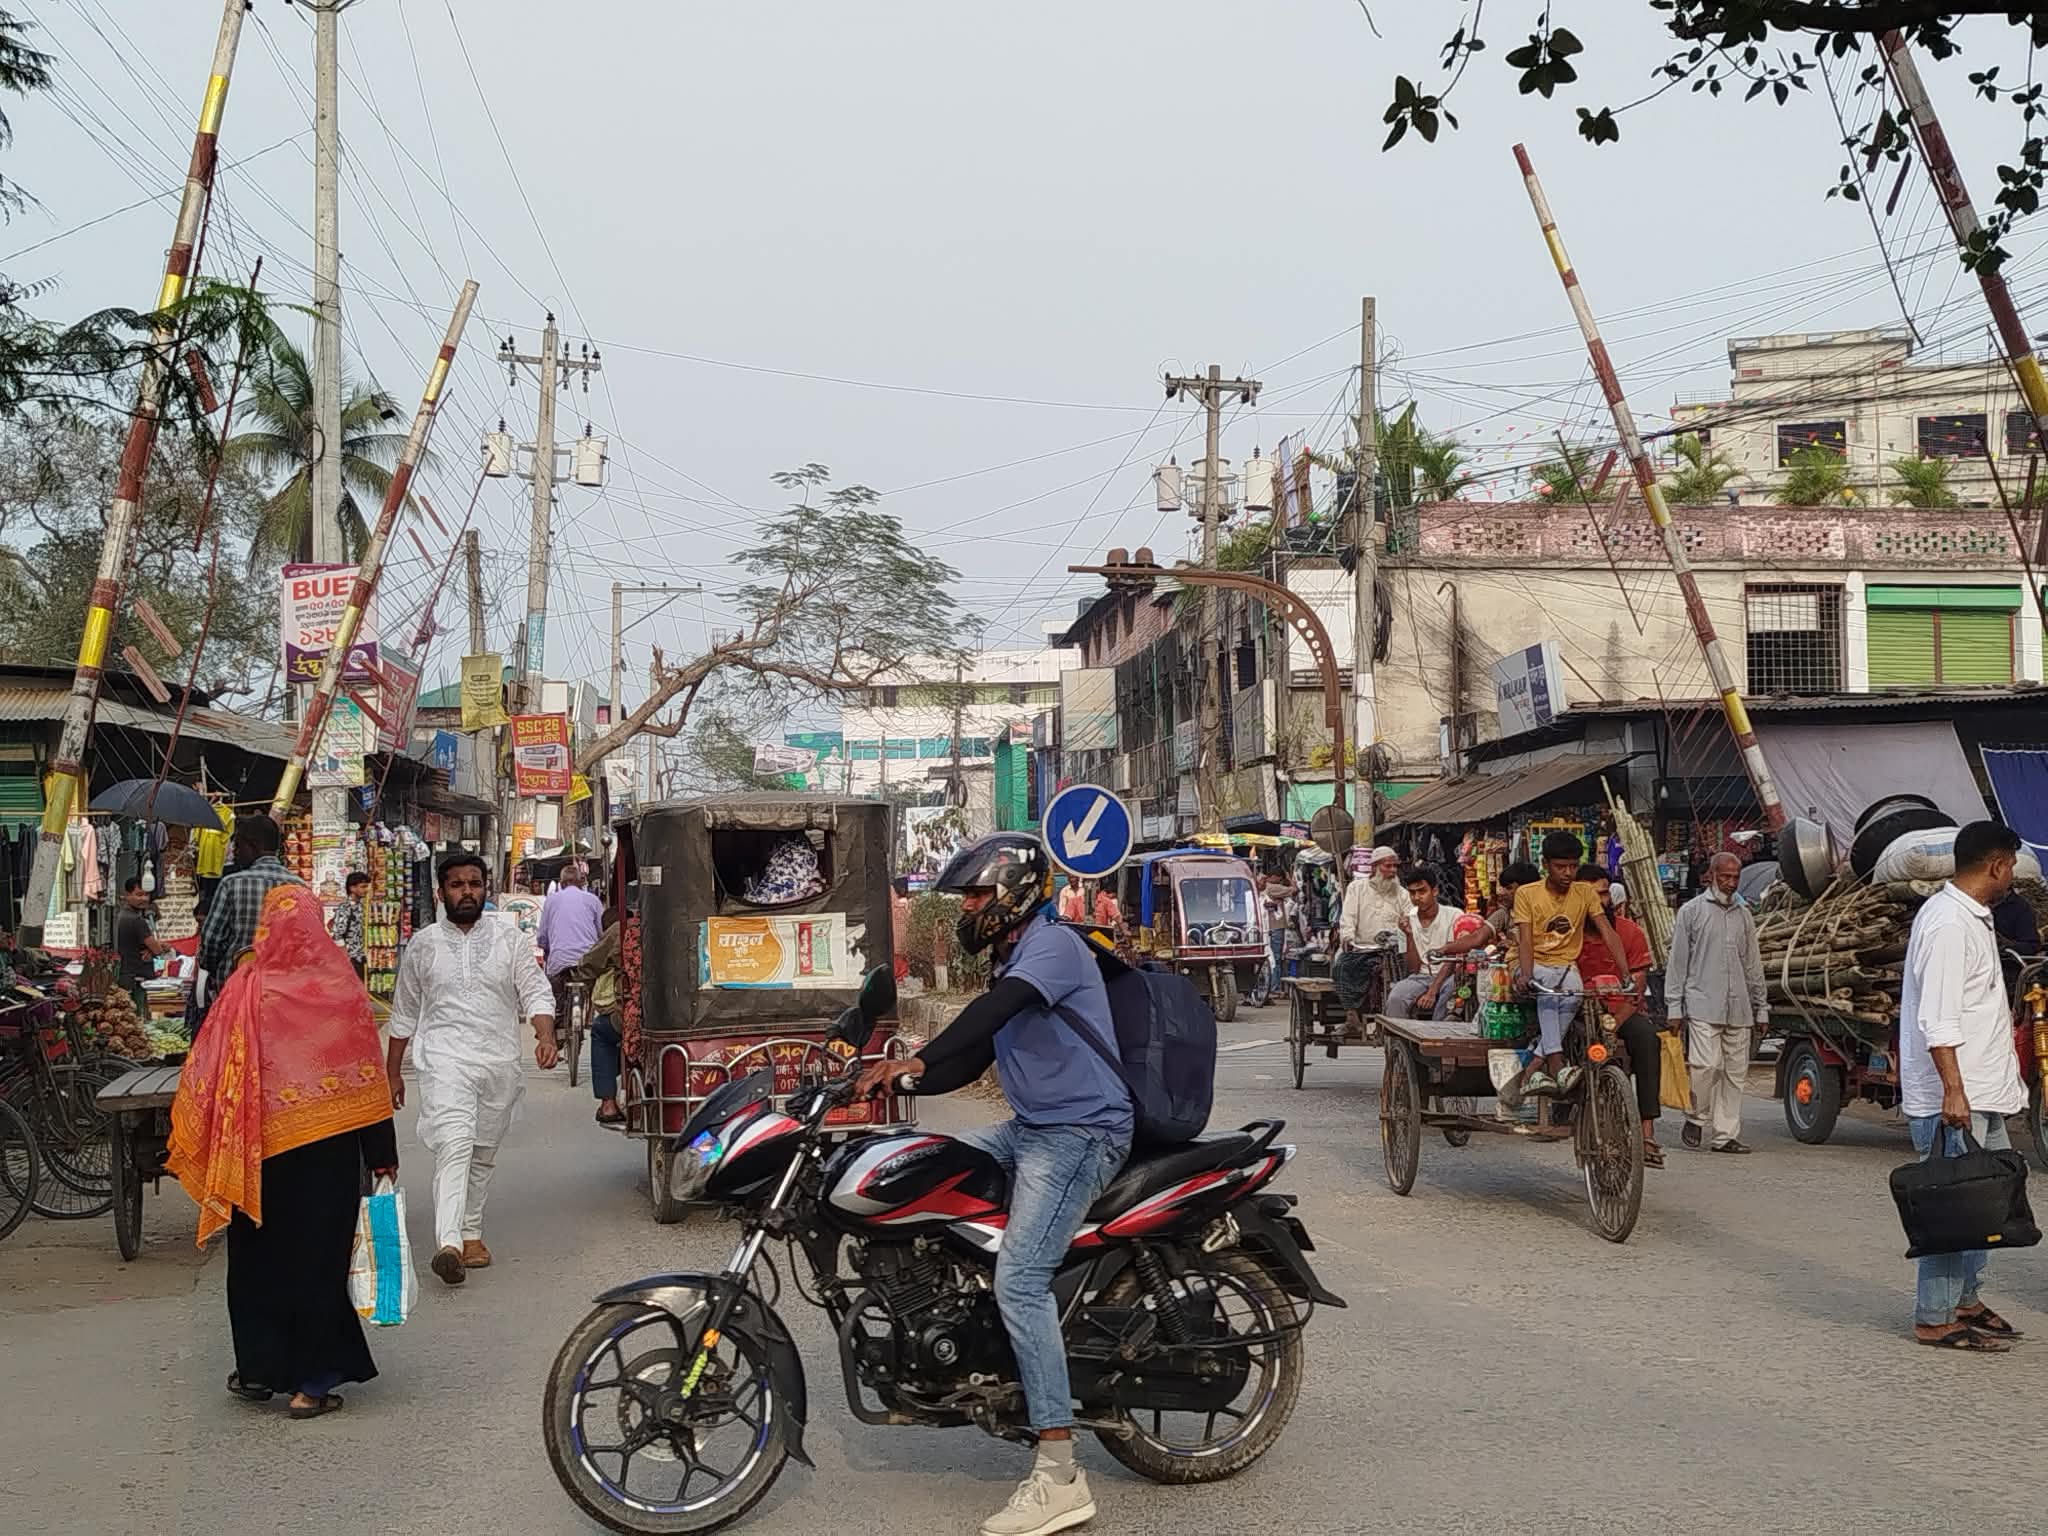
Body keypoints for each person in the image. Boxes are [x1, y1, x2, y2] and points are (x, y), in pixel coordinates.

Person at [852, 833, 1129, 1536]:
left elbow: (988, 1017)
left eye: (976, 895)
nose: (968, 908)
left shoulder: (1053, 947)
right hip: (1032, 1127)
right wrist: (898, 1077)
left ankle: (1061, 1473)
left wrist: (915, 1059)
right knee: (920, 1176)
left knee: (1021, 1280)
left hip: (1081, 1132)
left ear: (1010, 895)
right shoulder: (1013, 955)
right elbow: (968, 1056)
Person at [165, 884, 397, 1419]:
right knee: (317, 1263)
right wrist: (382, 1152)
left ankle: (259, 1370)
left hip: (257, 1155)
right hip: (328, 1157)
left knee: (258, 1263)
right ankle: (309, 1386)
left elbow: (212, 1065)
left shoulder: (247, 987)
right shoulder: (340, 989)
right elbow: (366, 1079)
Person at [386, 853, 557, 1286]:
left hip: (497, 1059)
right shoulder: (424, 944)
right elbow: (404, 1012)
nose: (467, 892)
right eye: (457, 885)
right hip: (444, 1059)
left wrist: (546, 1035)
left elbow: (534, 990)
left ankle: (471, 1232)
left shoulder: (509, 938)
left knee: (482, 1152)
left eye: (474, 884)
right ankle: (448, 1242)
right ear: (441, 892)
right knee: (455, 1143)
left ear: (486, 887)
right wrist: (391, 1073)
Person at [1897, 821, 2030, 1351]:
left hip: (1984, 1092)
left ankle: (1966, 1300)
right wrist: (1953, 1090)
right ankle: (1934, 1317)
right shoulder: (1948, 924)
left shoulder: (1973, 918)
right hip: (1958, 1098)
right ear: (1997, 865)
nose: (2012, 876)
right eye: (2011, 866)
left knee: (1989, 1207)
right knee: (1953, 1211)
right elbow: (1939, 1019)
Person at [1512, 832, 1632, 1098]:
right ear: (1545, 864)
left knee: (1572, 994)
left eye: (1573, 866)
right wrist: (1528, 975)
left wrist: (1626, 974)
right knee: (1547, 991)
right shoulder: (1527, 893)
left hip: (1566, 966)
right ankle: (1556, 1064)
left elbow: (1607, 932)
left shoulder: (1585, 893)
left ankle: (1533, 1066)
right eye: (1560, 866)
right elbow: (1525, 941)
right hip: (1532, 964)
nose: (1567, 873)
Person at [1668, 851, 1769, 1154]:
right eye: (1724, 876)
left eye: (1735, 877)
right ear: (1710, 875)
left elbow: (1753, 963)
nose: (1730, 883)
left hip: (1739, 1006)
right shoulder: (1691, 911)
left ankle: (1725, 1135)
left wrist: (1761, 1006)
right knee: (1705, 1065)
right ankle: (1696, 1117)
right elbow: (1678, 962)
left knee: (1735, 1073)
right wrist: (1675, 1006)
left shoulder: (1744, 914)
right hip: (1702, 1001)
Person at [1576, 864, 1665, 1166]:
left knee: (1648, 1040)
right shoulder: (1567, 933)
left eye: (1602, 894)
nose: (1599, 902)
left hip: (1621, 1011)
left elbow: (1636, 990)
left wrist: (1614, 1025)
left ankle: (1647, 1132)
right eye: (1591, 896)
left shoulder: (1629, 932)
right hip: (1576, 1011)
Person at [196, 813, 305, 1027]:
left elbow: (211, 941)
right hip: (283, 995)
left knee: (237, 1056)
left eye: (238, 845)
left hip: (235, 995)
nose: (234, 852)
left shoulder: (232, 884)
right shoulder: (300, 888)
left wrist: (214, 973)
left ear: (253, 846)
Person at [1335, 846, 1413, 1031]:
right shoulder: (1357, 888)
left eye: (1395, 867)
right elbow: (1349, 916)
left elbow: (1411, 914)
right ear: (1375, 867)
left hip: (1393, 949)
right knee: (1342, 966)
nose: (1393, 871)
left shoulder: (1401, 892)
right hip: (1363, 947)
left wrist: (1408, 924)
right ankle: (1352, 1014)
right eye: (1388, 866)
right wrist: (1347, 937)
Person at [1384, 866, 1464, 1022]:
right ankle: (1400, 1042)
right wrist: (1408, 935)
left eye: (1422, 891)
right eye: (1412, 893)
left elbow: (1451, 959)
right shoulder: (1406, 921)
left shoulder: (1455, 915)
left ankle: (1438, 1037)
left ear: (1434, 891)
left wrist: (1432, 991)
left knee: (1450, 993)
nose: (1417, 897)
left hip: (1449, 975)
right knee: (1396, 998)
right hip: (1420, 976)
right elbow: (1413, 968)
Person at [567, 908, 624, 1126]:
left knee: (600, 1029)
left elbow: (590, 964)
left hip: (635, 1017)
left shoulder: (622, 930)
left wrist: (578, 973)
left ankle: (608, 1104)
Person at [537, 862, 604, 1021]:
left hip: (559, 962)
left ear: (561, 884)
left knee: (555, 999)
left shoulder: (551, 900)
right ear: (581, 883)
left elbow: (542, 936)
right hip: (587, 962)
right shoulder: (593, 900)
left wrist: (546, 949)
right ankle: (589, 1015)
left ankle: (558, 1018)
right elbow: (602, 934)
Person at [115, 877, 168, 1017]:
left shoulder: (121, 915)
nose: (144, 898)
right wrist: (157, 948)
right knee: (137, 1018)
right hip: (136, 977)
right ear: (127, 895)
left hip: (125, 973)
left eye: (146, 894)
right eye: (139, 894)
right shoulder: (136, 920)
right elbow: (158, 950)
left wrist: (151, 948)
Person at [330, 871, 369, 979]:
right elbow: (337, 934)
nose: (366, 890)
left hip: (359, 958)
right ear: (352, 888)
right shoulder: (345, 908)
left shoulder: (362, 907)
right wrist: (345, 958)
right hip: (350, 960)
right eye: (363, 887)